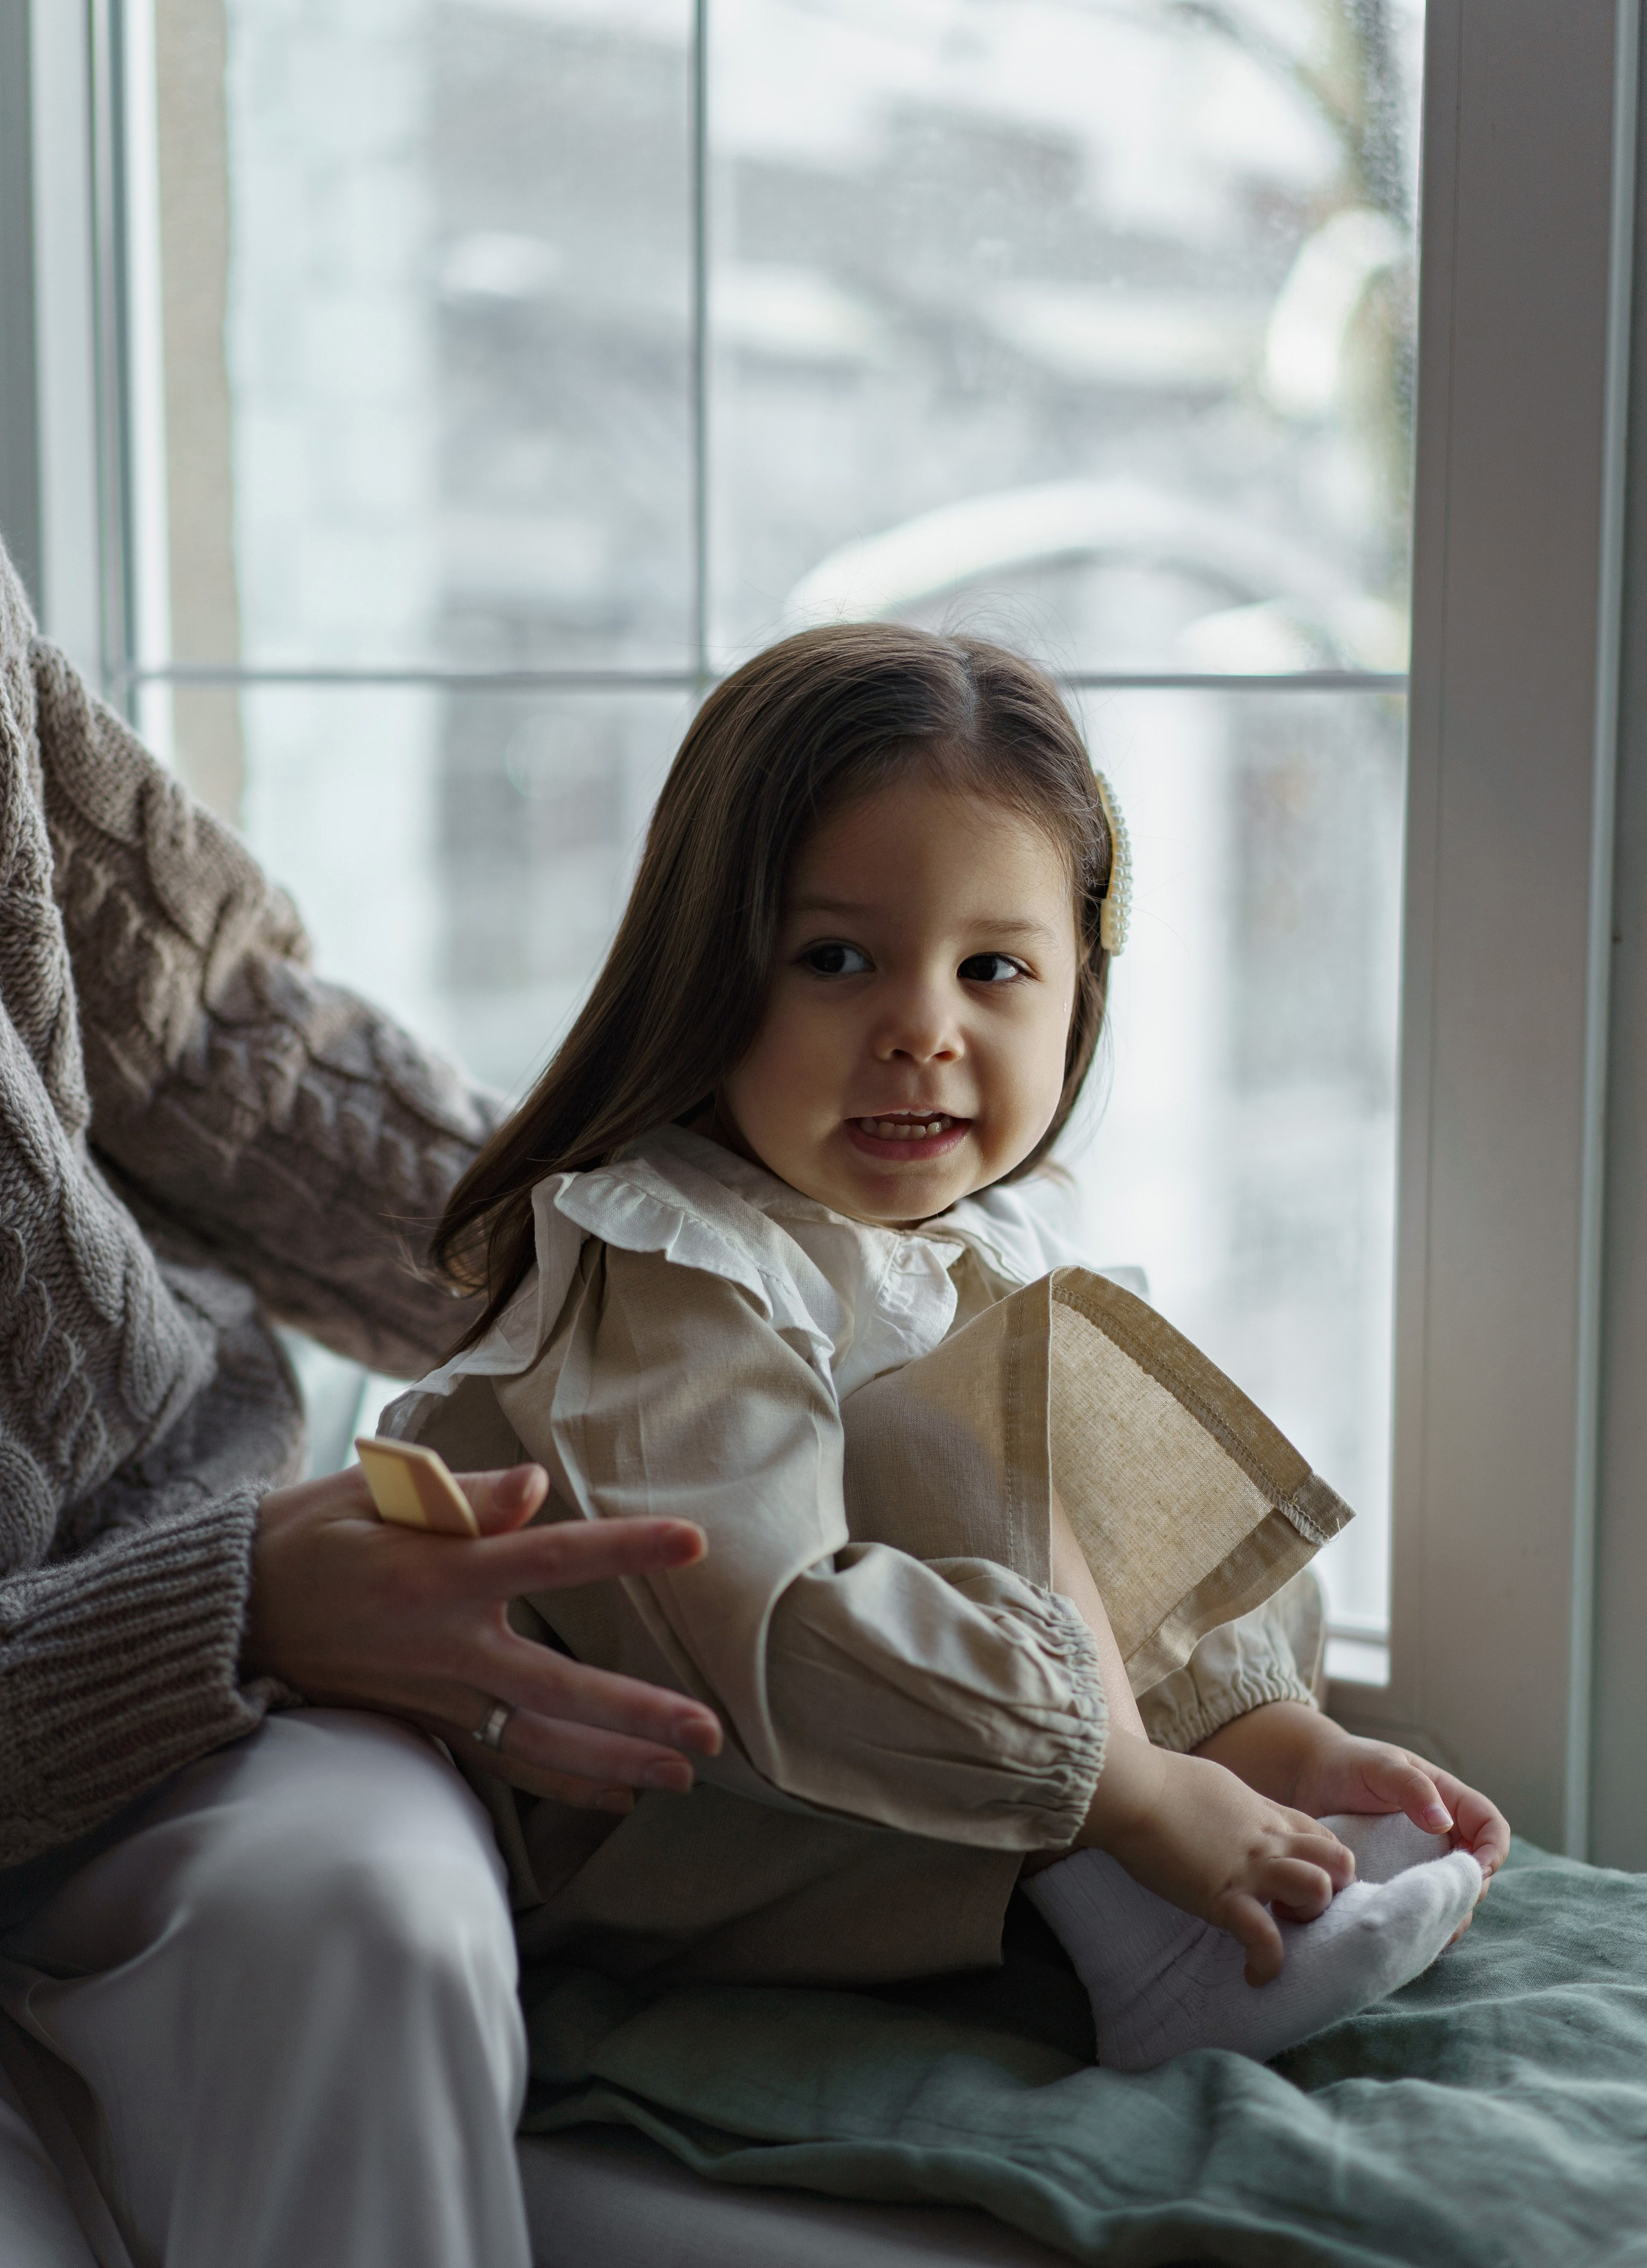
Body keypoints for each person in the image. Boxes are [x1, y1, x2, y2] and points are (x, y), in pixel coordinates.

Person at [389, 622, 1509, 2068]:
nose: (920, 1028)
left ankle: (1226, 1778)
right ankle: (1145, 1935)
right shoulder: (671, 1259)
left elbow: (1093, 1533)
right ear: (709, 970)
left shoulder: (976, 1243)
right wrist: (1118, 1785)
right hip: (677, 1815)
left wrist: (1249, 1725)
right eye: (836, 959)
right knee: (948, 1427)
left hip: (891, 1762)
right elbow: (771, 1637)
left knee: (1048, 1383)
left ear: (1075, 993)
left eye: (990, 968)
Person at [0, 535, 724, 2268]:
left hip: (165, 1618)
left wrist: (696, 1320)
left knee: (375, 1926)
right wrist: (219, 1613)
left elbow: (205, 1031)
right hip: (172, 1627)